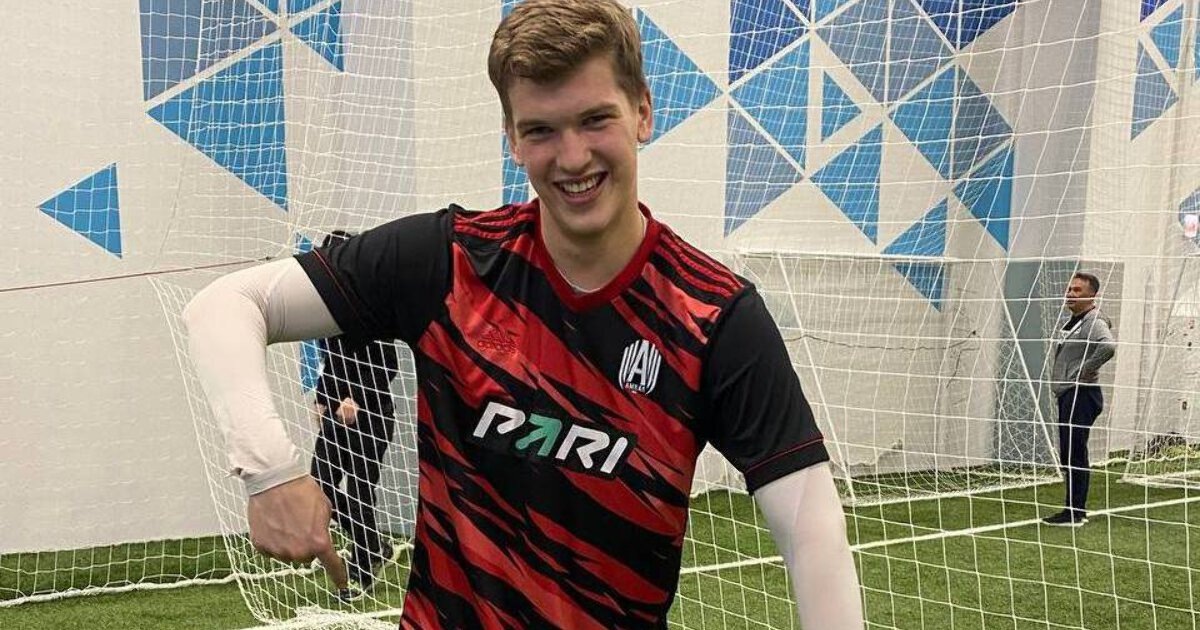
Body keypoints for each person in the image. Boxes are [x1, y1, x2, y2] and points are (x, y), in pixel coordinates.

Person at [183, 0, 863, 627]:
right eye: (541, 130)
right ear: (512, 138)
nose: (572, 157)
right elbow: (224, 307)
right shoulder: (447, 263)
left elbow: (811, 530)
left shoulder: (714, 316)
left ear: (643, 112)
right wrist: (270, 471)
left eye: (595, 120)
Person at [308, 230, 405, 600]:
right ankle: (374, 544)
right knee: (320, 487)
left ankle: (363, 573)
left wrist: (357, 399)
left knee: (361, 491)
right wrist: (322, 399)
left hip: (372, 417)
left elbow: (388, 365)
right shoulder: (325, 310)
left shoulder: (374, 306)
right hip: (335, 415)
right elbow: (332, 362)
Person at [1043, 271, 1117, 527]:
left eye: (1077, 290)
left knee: (1074, 453)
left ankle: (1075, 512)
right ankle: (1073, 509)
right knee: (1069, 452)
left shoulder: (1094, 320)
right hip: (1070, 393)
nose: (1071, 294)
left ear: (1092, 295)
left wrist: (1084, 370)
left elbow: (1107, 346)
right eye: (1070, 289)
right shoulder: (1075, 320)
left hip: (1082, 394)